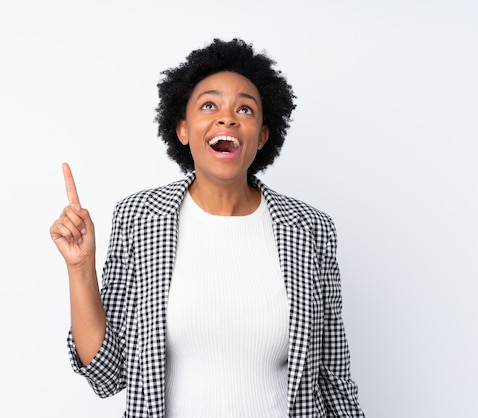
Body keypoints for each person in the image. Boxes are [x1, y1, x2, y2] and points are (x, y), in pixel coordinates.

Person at [50, 38, 365, 418]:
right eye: (209, 105)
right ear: (182, 128)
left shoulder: (310, 228)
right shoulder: (139, 217)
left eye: (245, 109)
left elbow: (334, 379)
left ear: (262, 136)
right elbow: (107, 373)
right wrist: (80, 268)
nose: (227, 117)